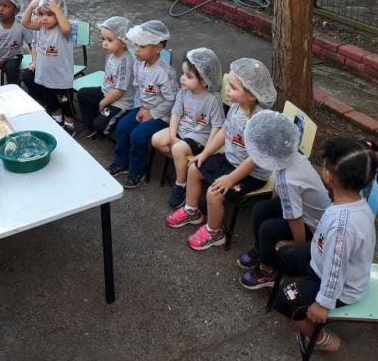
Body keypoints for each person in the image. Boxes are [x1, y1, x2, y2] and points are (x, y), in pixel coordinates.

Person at [272, 138, 378, 353]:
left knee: (284, 301)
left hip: (340, 287)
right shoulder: (353, 203)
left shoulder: (342, 227)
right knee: (286, 254)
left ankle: (323, 339)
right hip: (322, 261)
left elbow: (336, 269)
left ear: (328, 175)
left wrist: (323, 303)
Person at [166, 58, 277, 251]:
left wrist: (230, 179)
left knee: (214, 192)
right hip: (231, 159)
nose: (227, 89)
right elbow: (224, 131)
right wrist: (205, 153)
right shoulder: (236, 106)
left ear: (252, 95)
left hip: (251, 173)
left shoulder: (259, 121)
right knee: (194, 168)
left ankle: (215, 232)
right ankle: (192, 211)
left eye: (233, 87)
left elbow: (255, 159)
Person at [236, 111, 332, 290]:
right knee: (261, 209)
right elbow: (279, 192)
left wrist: (297, 246)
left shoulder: (289, 180)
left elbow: (295, 219)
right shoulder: (291, 157)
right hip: (302, 211)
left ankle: (268, 270)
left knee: (268, 229)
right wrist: (273, 207)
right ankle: (261, 250)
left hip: (315, 229)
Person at [107, 20, 178, 189]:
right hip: (145, 108)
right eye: (136, 45)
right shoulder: (139, 63)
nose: (136, 49)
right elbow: (141, 88)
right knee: (123, 126)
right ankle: (121, 162)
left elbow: (172, 100)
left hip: (162, 115)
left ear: (158, 48)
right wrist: (144, 108)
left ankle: (137, 171)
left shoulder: (165, 73)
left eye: (142, 46)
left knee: (138, 136)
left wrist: (152, 113)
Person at [153, 48, 225, 209]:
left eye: (189, 76)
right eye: (183, 74)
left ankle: (181, 185)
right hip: (183, 130)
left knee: (178, 149)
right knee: (157, 140)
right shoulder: (184, 92)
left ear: (204, 81)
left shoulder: (213, 99)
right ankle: (183, 166)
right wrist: (172, 136)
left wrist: (208, 151)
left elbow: (217, 126)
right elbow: (176, 114)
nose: (182, 78)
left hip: (200, 136)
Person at [20, 0, 77, 134]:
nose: (44, 18)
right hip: (45, 76)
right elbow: (25, 23)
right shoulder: (40, 27)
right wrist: (30, 7)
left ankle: (70, 125)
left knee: (66, 104)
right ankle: (57, 121)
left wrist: (57, 10)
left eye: (49, 14)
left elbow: (67, 28)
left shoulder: (63, 31)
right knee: (51, 103)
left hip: (61, 79)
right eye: (41, 14)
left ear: (60, 13)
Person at [77, 16, 135, 138]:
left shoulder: (125, 62)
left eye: (109, 40)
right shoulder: (111, 53)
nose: (104, 43)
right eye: (103, 39)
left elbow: (119, 91)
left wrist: (103, 103)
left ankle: (105, 126)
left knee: (100, 125)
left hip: (120, 102)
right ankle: (91, 126)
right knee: (83, 94)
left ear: (123, 41)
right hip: (106, 92)